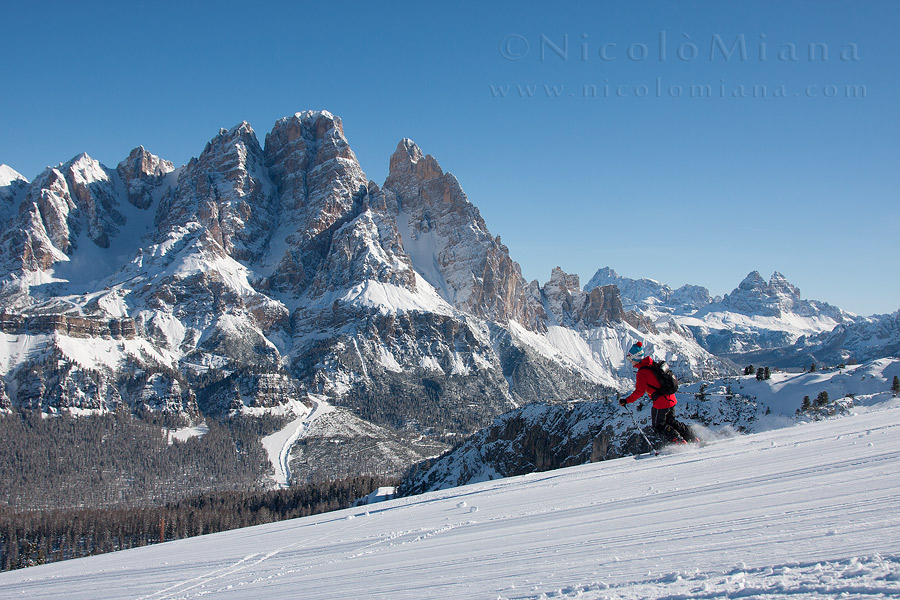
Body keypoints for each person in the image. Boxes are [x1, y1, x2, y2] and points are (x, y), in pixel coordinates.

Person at [619, 341, 697, 443]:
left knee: (658, 426)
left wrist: (626, 400)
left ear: (635, 358)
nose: (630, 361)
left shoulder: (642, 372)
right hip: (670, 398)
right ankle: (692, 438)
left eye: (630, 358)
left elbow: (639, 392)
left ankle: (679, 442)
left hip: (661, 403)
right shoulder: (651, 364)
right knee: (671, 422)